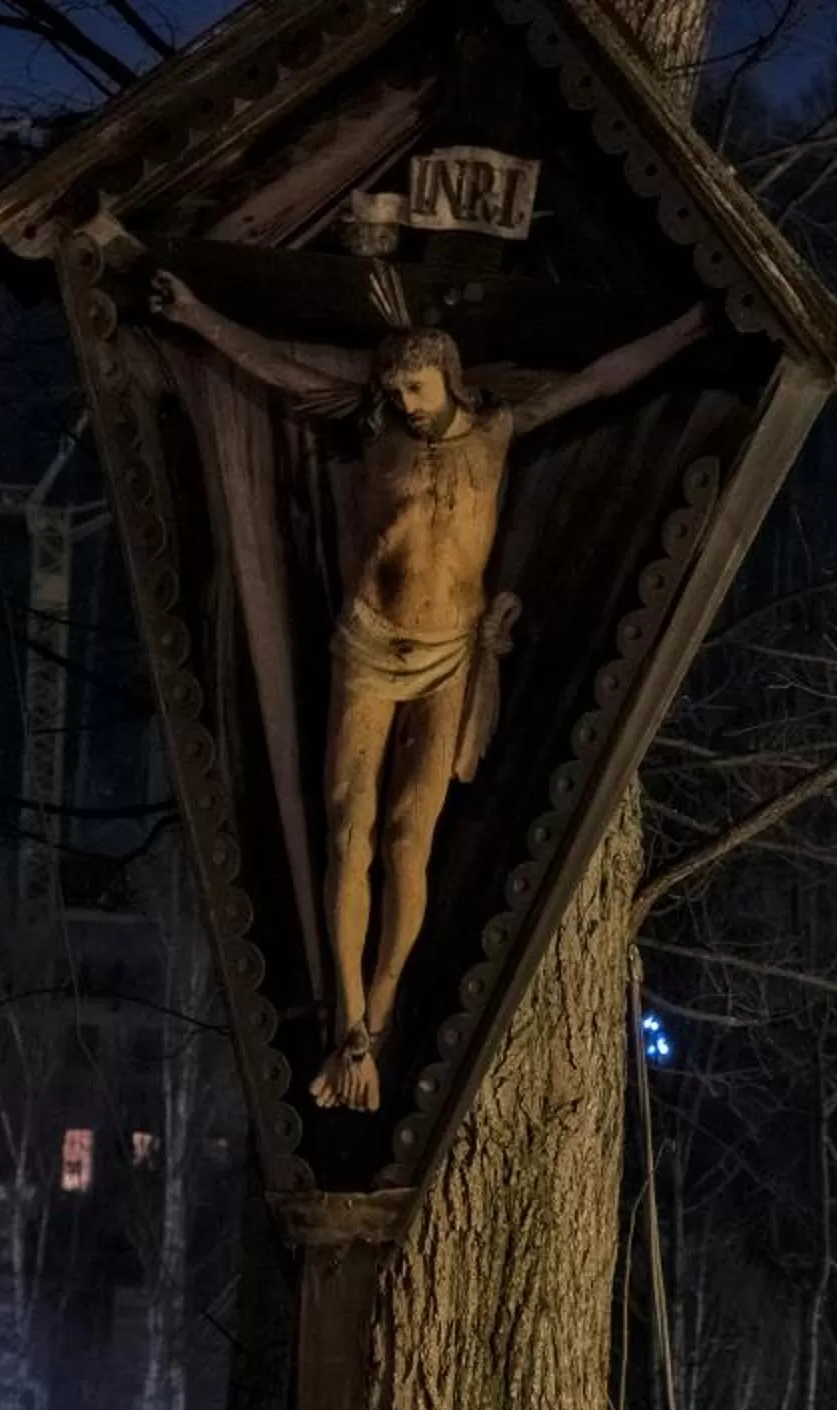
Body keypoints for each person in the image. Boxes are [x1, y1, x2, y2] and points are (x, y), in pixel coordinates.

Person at [151, 272, 706, 1109]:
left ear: (446, 375)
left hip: (450, 653)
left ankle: (373, 1020)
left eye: (414, 385)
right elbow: (274, 368)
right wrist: (196, 312)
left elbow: (598, 380)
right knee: (349, 829)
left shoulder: (496, 432)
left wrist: (687, 329)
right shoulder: (375, 436)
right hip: (370, 645)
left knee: (412, 837)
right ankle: (344, 1015)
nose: (404, 399)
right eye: (393, 388)